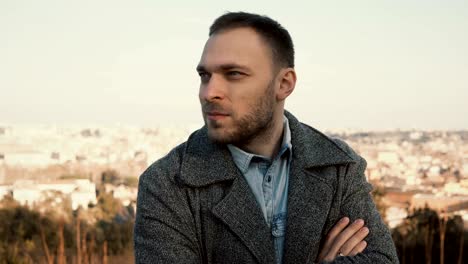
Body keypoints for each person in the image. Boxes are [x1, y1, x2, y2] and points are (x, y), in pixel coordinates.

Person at [134, 12, 398, 264]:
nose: (209, 92)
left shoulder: (338, 166)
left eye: (234, 74)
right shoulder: (167, 183)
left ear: (284, 84)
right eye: (205, 76)